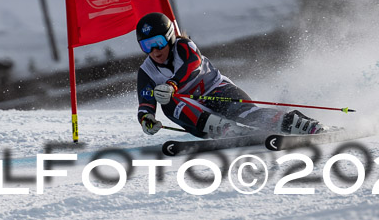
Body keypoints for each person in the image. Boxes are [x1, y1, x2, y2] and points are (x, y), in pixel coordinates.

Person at [135, 12, 326, 138]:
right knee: (166, 99)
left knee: (248, 115)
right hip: (194, 111)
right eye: (146, 46)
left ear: (169, 37)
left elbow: (192, 66)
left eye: (158, 42)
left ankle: (299, 124)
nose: (154, 51)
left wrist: (172, 84)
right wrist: (147, 119)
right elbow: (145, 102)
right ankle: (225, 130)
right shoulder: (146, 71)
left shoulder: (184, 46)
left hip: (217, 90)